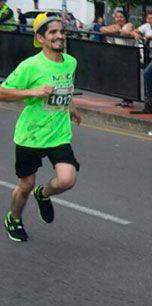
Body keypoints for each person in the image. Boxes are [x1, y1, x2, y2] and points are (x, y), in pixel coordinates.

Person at [1, 13, 82, 243]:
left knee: (67, 179)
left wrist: (72, 107)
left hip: (58, 134)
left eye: (61, 31)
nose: (59, 36)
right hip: (31, 135)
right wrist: (32, 92)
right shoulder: (31, 66)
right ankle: (13, 218)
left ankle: (43, 194)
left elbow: (65, 87)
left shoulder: (70, 61)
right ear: (41, 38)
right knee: (25, 186)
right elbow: (2, 92)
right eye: (53, 33)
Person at [101, 8, 136, 108]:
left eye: (121, 17)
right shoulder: (115, 26)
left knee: (128, 77)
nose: (119, 19)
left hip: (129, 54)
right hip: (119, 54)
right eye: (117, 17)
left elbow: (125, 32)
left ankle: (129, 100)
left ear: (125, 18)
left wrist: (117, 30)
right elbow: (102, 29)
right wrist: (114, 29)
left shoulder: (129, 25)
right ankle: (124, 99)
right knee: (121, 77)